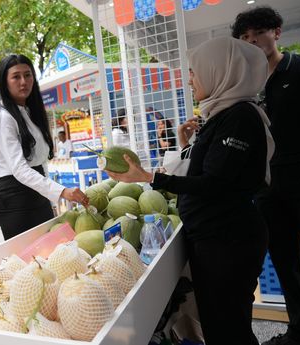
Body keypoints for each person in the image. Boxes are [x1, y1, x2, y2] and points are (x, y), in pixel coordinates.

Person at [105, 37, 274, 345]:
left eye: (195, 71)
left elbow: (214, 183)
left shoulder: (240, 117)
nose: (190, 78)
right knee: (218, 324)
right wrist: (185, 148)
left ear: (218, 71)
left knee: (229, 329)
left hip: (228, 241)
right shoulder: (222, 114)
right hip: (216, 238)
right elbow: (212, 170)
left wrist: (149, 177)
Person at [232, 7, 300, 345]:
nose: (252, 41)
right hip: (267, 190)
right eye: (245, 38)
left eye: (258, 33)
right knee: (286, 262)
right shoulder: (245, 87)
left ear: (276, 32)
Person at [0, 54, 88, 240]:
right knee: (29, 262)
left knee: (49, 254)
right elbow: (19, 169)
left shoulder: (31, 113)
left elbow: (40, 163)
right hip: (15, 201)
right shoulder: (3, 118)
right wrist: (61, 191)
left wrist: (49, 197)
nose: (23, 82)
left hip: (38, 196)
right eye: (16, 76)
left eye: (28, 75)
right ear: (4, 82)